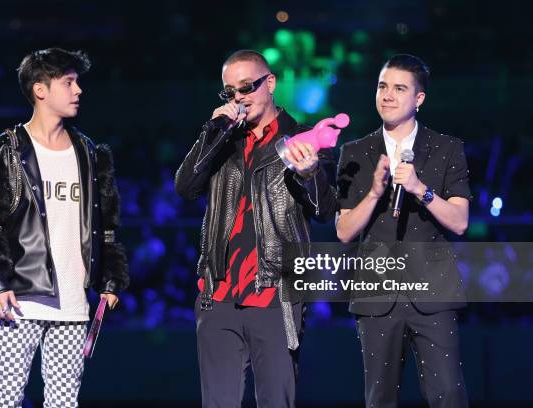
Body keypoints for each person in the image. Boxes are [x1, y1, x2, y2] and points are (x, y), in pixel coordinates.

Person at [0, 47, 129, 408]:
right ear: (40, 89)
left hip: (73, 303)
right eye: (68, 82)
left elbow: (107, 225)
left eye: (77, 82)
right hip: (18, 299)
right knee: (6, 397)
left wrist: (111, 278)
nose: (78, 90)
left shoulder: (90, 153)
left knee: (64, 401)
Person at [175, 49, 338, 407]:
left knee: (276, 401)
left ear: (271, 83)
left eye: (247, 87)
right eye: (229, 91)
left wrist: (310, 175)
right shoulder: (222, 139)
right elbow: (185, 187)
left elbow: (326, 211)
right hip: (218, 293)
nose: (239, 98)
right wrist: (212, 131)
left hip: (275, 292)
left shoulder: (304, 138)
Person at [336, 54, 471, 407]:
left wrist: (420, 190)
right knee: (379, 398)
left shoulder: (446, 148)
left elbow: (460, 221)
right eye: (382, 87)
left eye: (399, 88)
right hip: (377, 294)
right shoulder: (355, 152)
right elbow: (344, 231)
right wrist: (375, 194)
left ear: (419, 99)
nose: (388, 96)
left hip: (433, 292)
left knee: (448, 395)